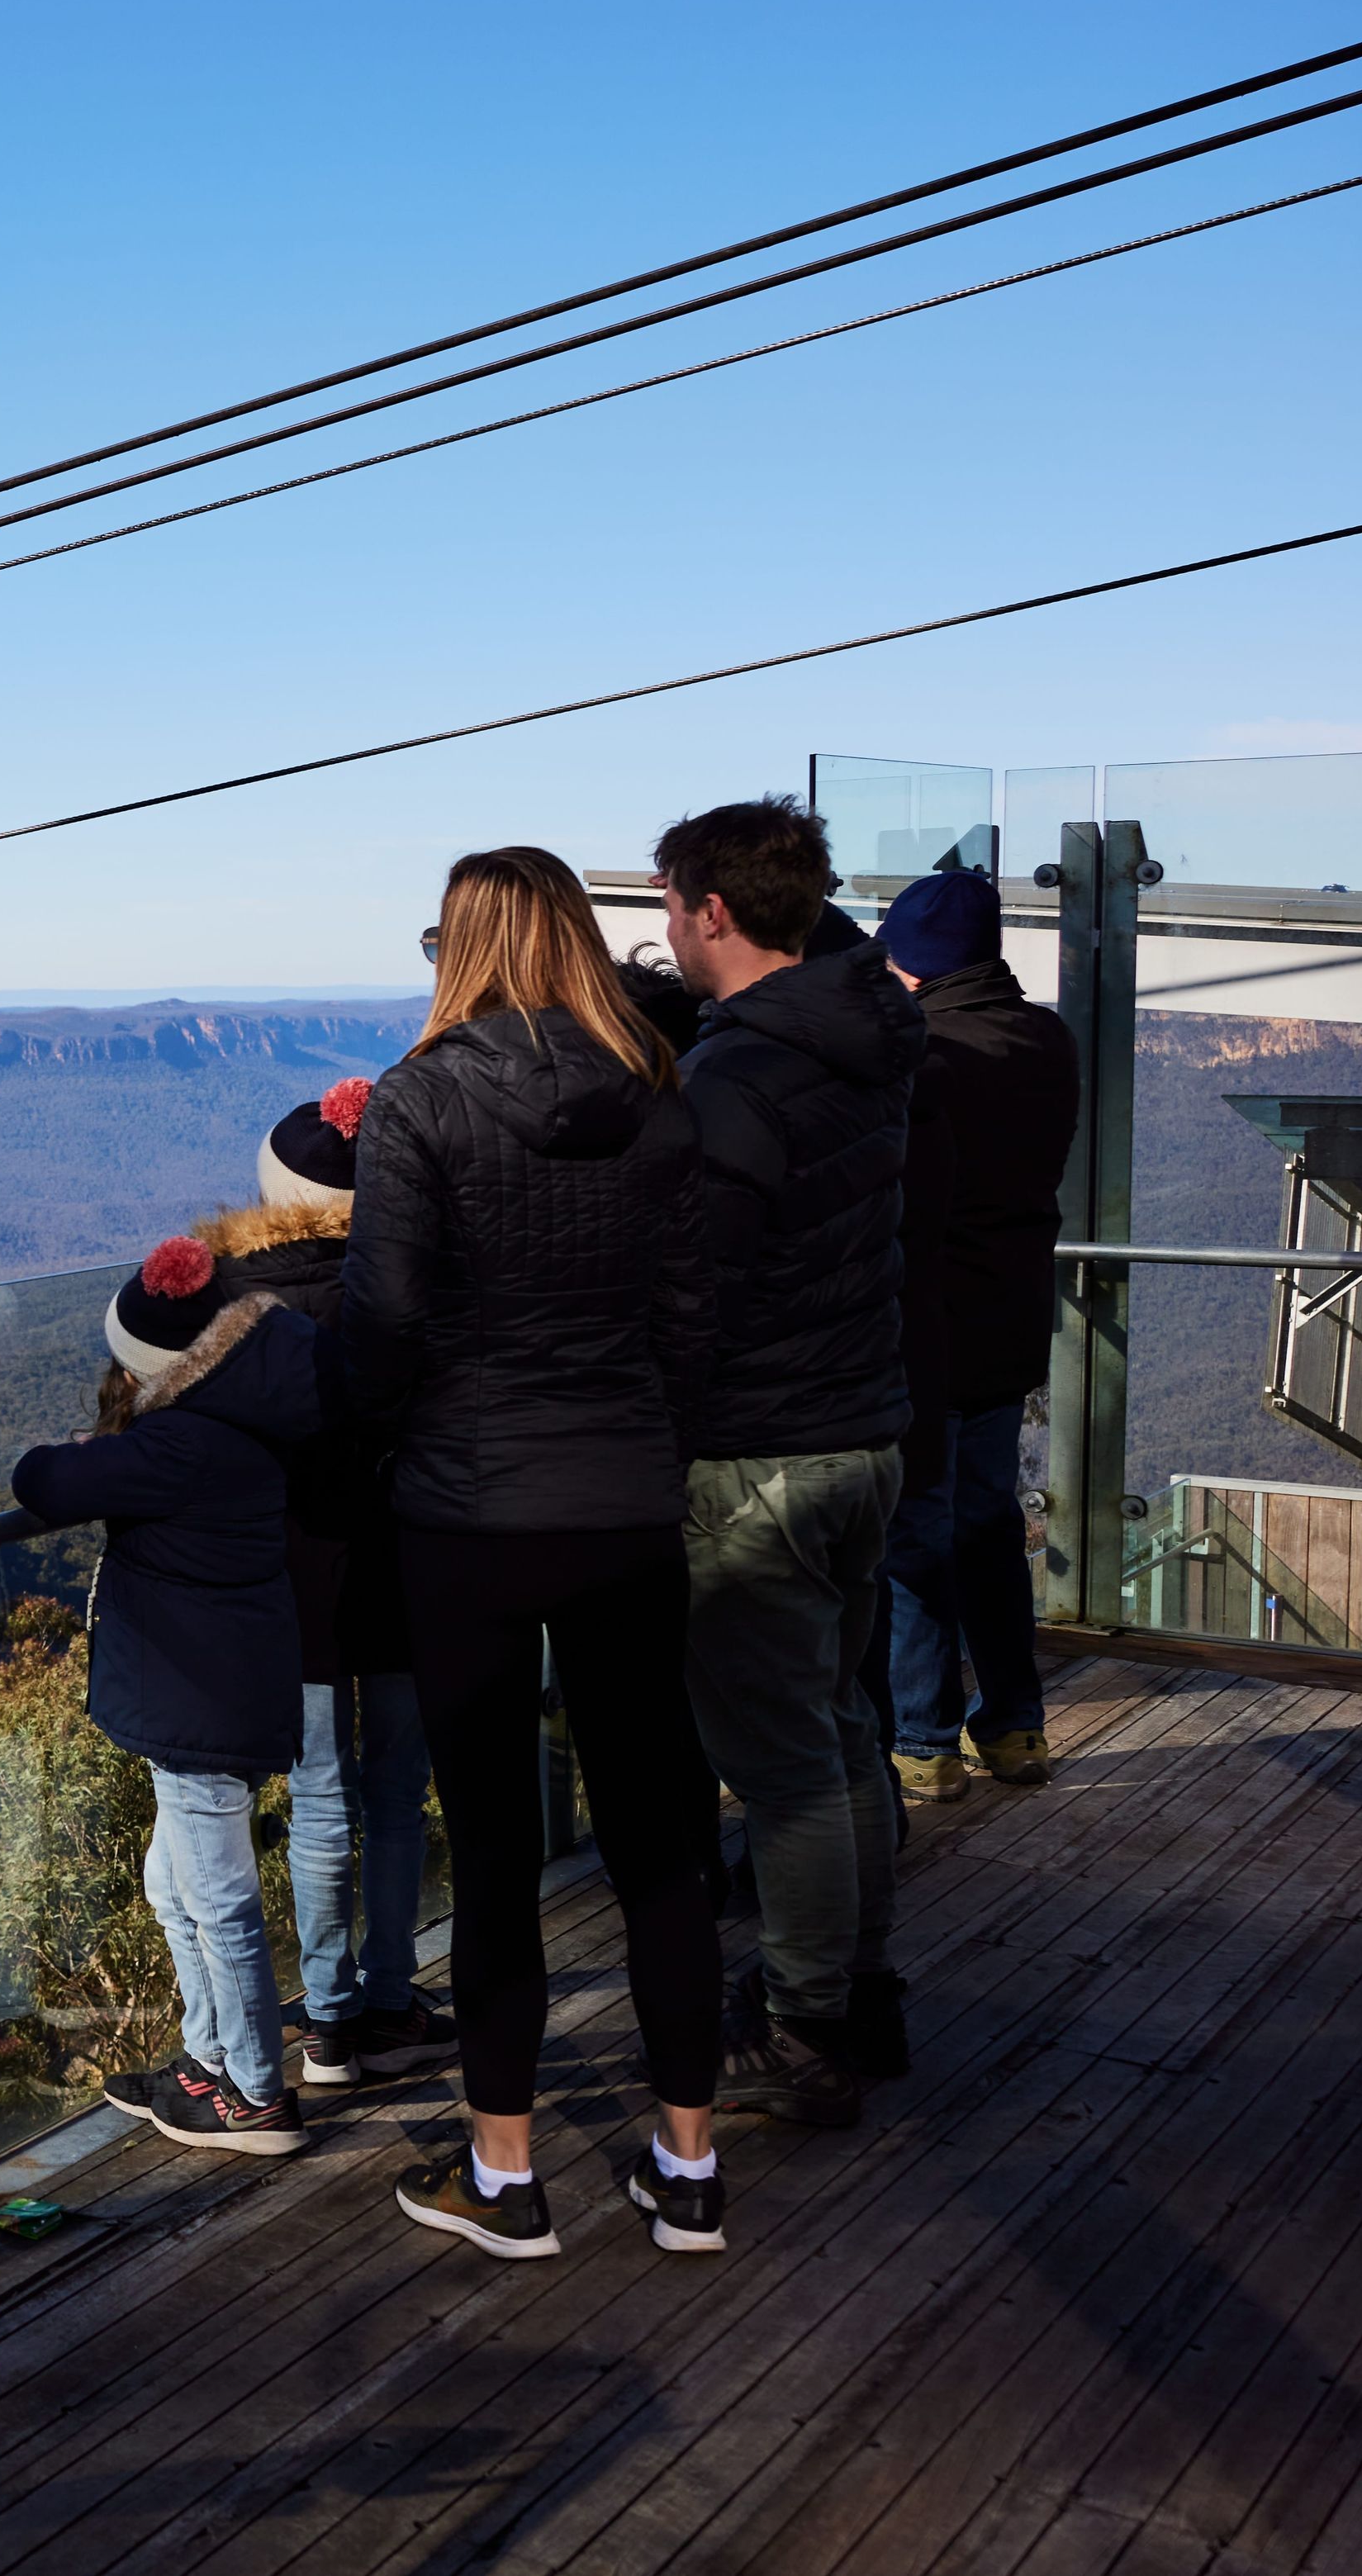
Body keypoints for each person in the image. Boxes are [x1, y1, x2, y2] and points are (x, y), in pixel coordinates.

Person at [343, 846, 725, 2259]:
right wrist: (649, 1447)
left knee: (496, 1848)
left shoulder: (416, 1099)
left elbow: (382, 1317)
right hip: (624, 1509)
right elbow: (689, 1319)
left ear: (458, 946)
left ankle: (502, 2177)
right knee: (658, 1838)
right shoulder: (659, 1096)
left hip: (467, 1517)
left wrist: (372, 1442)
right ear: (574, 937)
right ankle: (687, 2164)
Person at [655, 795, 930, 2119]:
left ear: (711, 910)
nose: (666, 932)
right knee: (841, 1728)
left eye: (669, 907)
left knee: (781, 1767)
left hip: (758, 1459)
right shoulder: (863, 1038)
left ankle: (803, 2025)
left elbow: (694, 1293)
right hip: (863, 1431)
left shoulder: (736, 1080)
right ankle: (857, 1989)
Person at [13, 1233, 324, 2157]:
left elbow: (42, 1481)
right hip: (223, 1691)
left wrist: (88, 1447)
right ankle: (208, 2058)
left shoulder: (182, 1443)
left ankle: (255, 2095)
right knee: (171, 1884)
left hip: (198, 1707)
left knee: (217, 1898)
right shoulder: (241, 1416)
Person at [195, 1081, 450, 2091]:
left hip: (284, 1575)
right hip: (405, 1554)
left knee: (318, 1797)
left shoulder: (223, 1303)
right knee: (395, 1794)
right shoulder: (415, 1281)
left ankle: (328, 2020)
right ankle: (388, 1999)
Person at [876, 866, 1080, 1800]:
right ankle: (1013, 1725)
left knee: (917, 1538)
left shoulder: (925, 1054)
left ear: (913, 963)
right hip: (1011, 1318)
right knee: (989, 1529)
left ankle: (923, 1740)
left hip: (928, 1326)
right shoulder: (1047, 1039)